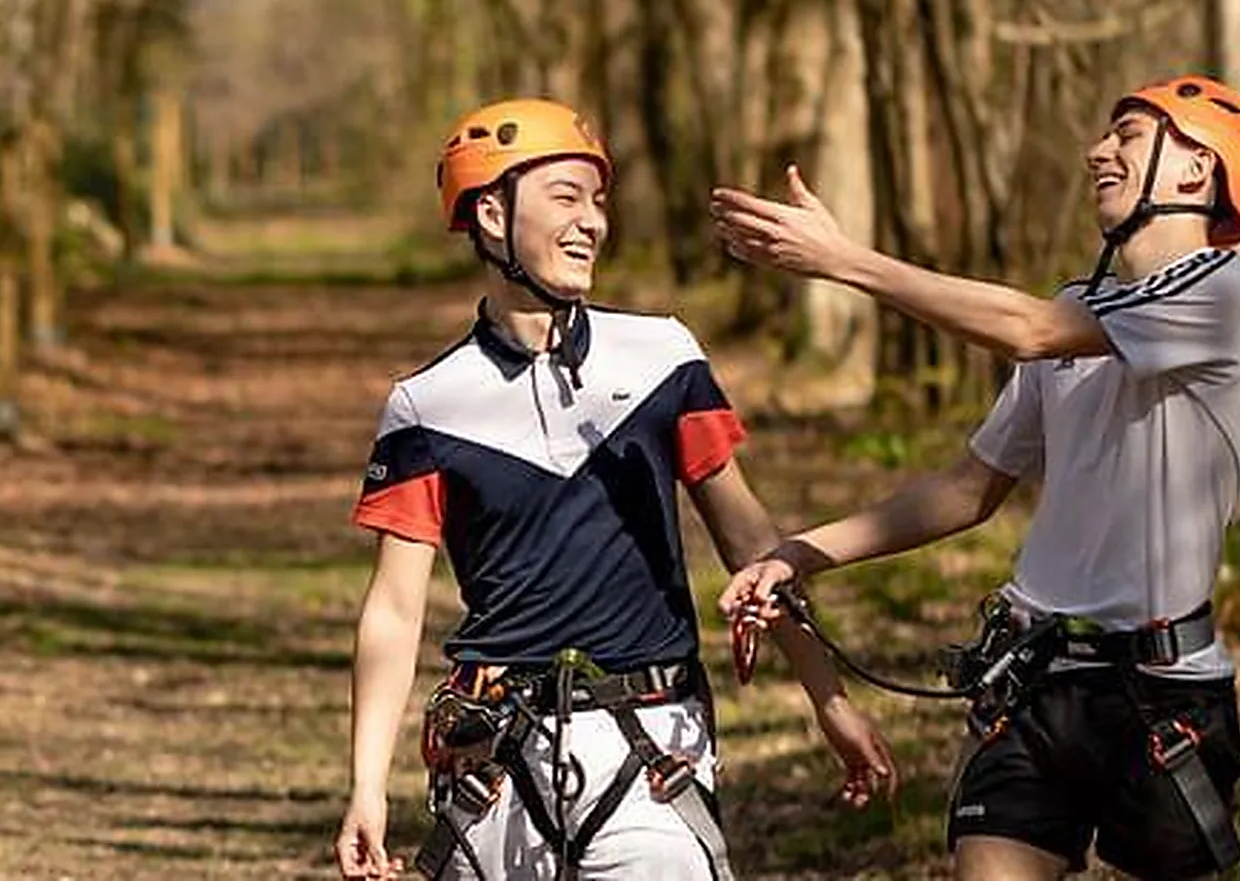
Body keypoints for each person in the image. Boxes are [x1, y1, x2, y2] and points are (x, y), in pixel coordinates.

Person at [332, 97, 897, 881]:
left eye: (598, 202)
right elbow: (394, 609)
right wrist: (367, 790)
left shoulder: (664, 357)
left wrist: (830, 703)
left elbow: (751, 545)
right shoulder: (427, 404)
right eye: (565, 197)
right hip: (494, 762)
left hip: (655, 745)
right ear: (492, 215)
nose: (592, 222)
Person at [712, 75, 1240, 881]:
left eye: (1128, 135)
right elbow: (967, 491)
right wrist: (797, 554)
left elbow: (1026, 330)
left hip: (1165, 701)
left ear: (1197, 170)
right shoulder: (1077, 304)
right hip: (1034, 680)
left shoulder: (1223, 293)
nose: (1098, 150)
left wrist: (845, 261)